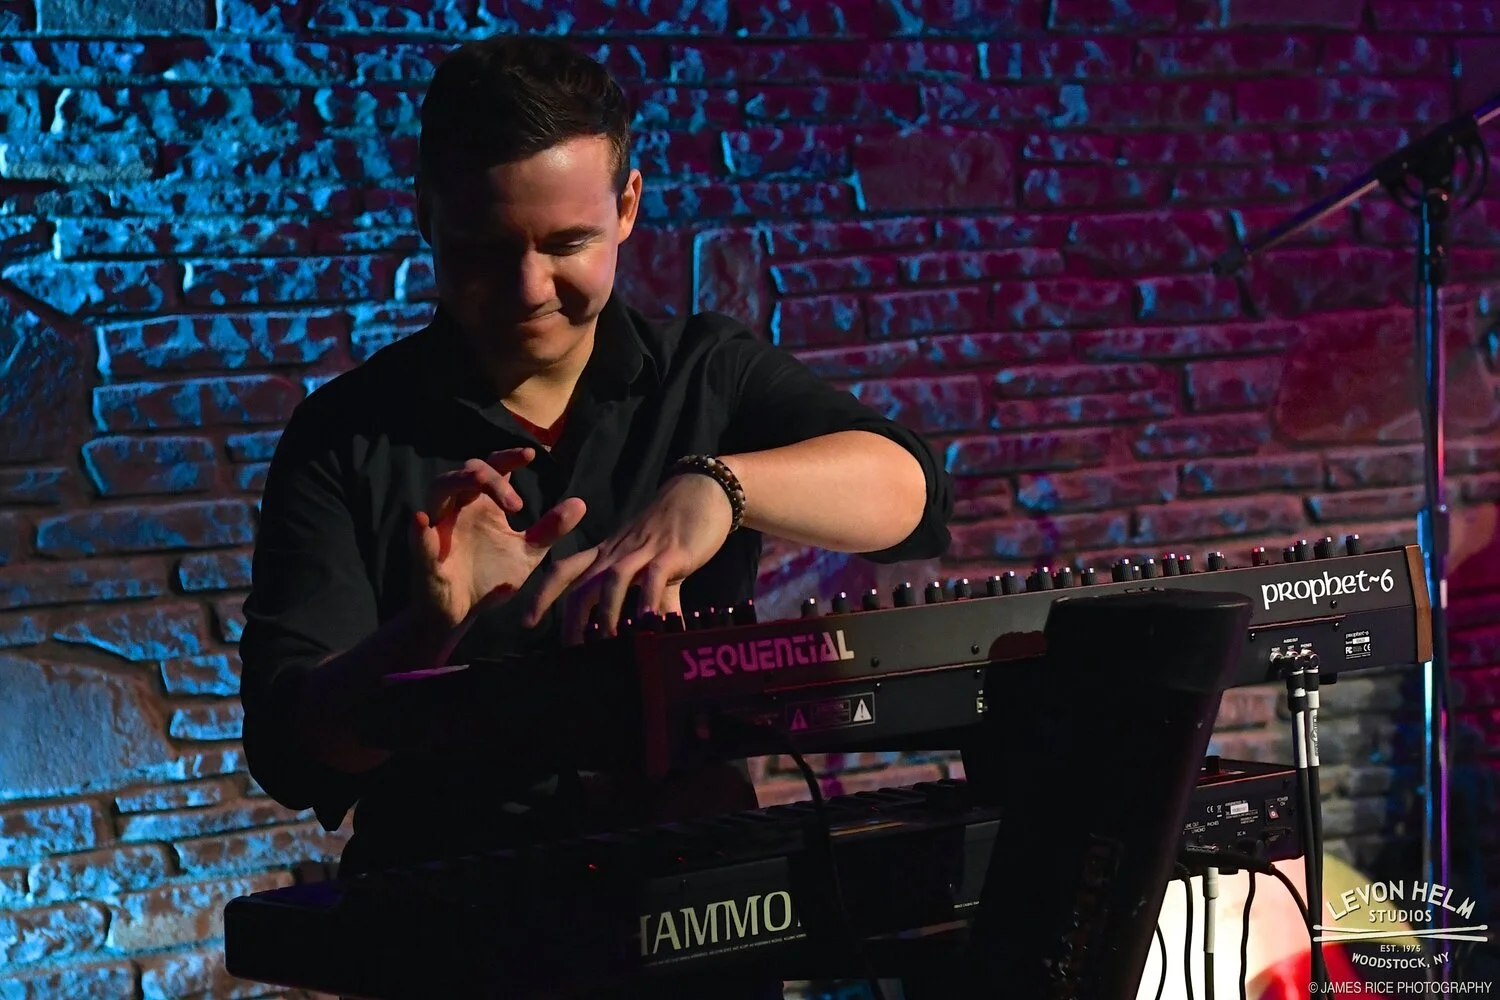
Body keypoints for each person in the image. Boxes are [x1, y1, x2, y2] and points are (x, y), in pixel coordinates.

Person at [238, 34, 954, 999]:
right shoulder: (345, 435)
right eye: (487, 248)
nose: (530, 288)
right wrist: (428, 630)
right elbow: (295, 752)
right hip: (460, 947)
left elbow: (911, 490)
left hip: (704, 925)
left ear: (627, 206)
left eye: (566, 244)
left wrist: (718, 486)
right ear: (425, 216)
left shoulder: (707, 373)